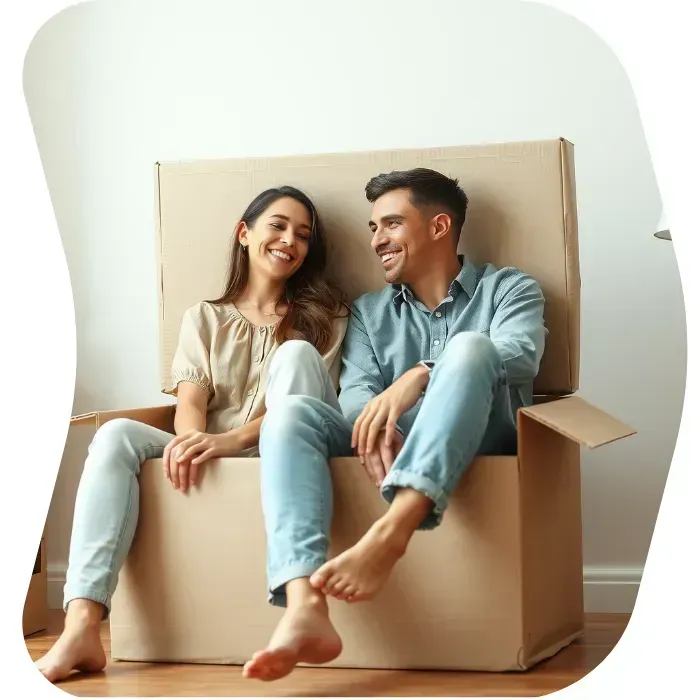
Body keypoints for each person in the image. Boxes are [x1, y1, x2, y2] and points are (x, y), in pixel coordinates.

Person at [243, 168, 547, 682]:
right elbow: (356, 397)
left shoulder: (508, 288)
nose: (376, 240)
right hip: (387, 447)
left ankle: (390, 534)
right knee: (292, 411)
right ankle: (303, 605)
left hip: (485, 438)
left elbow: (519, 354)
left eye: (390, 224)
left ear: (438, 227)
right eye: (371, 227)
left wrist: (422, 374)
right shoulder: (368, 312)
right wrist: (381, 422)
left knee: (472, 348)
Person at [36, 186, 349, 683]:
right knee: (115, 433)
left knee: (294, 359)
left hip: (287, 454)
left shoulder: (326, 318)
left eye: (303, 235)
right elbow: (190, 404)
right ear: (245, 233)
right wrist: (192, 441)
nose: (291, 240)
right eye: (278, 225)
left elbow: (302, 411)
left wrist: (229, 442)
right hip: (218, 449)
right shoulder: (204, 318)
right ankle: (81, 626)